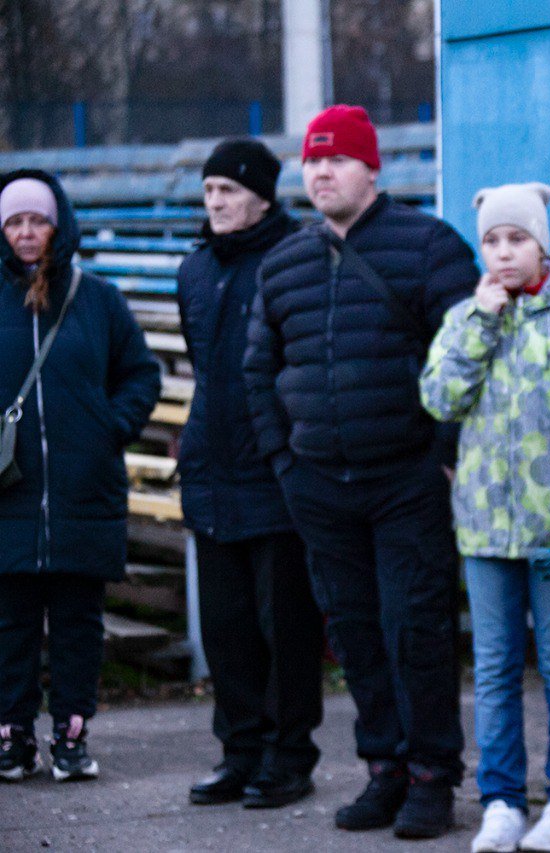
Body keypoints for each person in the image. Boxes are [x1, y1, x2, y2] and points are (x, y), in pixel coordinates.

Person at [243, 105, 479, 839]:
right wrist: (287, 463)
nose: (321, 173)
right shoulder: (283, 261)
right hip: (319, 485)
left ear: (370, 168)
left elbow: (467, 352)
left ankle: (433, 775)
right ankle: (384, 768)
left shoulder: (429, 245)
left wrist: (441, 459)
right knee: (354, 634)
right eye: (312, 163)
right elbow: (260, 368)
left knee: (417, 629)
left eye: (336, 160)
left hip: (408, 479)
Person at [421, 182, 550, 853]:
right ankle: (500, 798)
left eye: (516, 238)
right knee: (493, 667)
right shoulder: (468, 315)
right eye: (492, 240)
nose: (503, 252)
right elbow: (438, 398)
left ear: (541, 244)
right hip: (484, 527)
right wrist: (480, 321)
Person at [0, 170, 160, 783]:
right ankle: (12, 737)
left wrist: (109, 428)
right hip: (9, 493)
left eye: (37, 220)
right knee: (9, 624)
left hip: (83, 489)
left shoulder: (97, 299)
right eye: (14, 221)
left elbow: (140, 374)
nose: (26, 233)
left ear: (58, 224)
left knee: (76, 623)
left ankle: (70, 735)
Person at [178, 139, 324, 809]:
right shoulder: (196, 270)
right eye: (209, 193)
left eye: (228, 192)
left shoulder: (292, 259)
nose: (216, 204)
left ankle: (288, 755)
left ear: (262, 196)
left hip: (274, 471)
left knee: (284, 623)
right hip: (212, 468)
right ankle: (239, 751)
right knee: (227, 626)